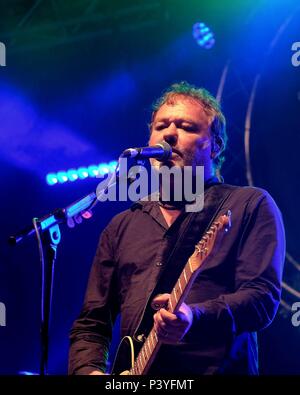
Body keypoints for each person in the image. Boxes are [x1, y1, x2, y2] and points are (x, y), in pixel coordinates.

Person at [68, 81, 285, 375]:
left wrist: (195, 316)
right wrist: (89, 371)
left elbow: (262, 298)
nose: (169, 134)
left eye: (186, 127)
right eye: (161, 126)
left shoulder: (248, 204)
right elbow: (92, 323)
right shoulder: (123, 225)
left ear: (215, 145)